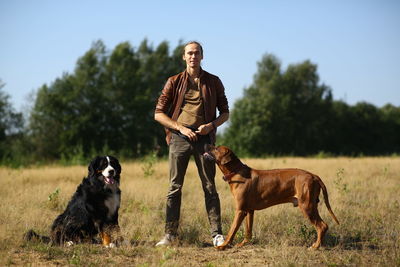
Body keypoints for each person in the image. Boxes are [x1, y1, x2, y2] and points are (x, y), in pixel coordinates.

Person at [154, 41, 229, 247]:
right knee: (174, 187)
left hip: (204, 140)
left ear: (202, 56)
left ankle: (217, 234)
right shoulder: (174, 81)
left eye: (196, 53)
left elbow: (225, 113)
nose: (193, 56)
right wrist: (180, 127)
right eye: (189, 53)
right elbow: (158, 114)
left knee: (210, 187)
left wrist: (210, 126)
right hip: (179, 138)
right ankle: (170, 235)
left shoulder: (214, 81)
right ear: (184, 57)